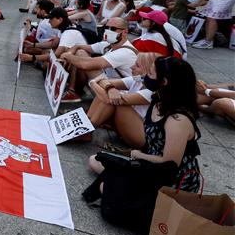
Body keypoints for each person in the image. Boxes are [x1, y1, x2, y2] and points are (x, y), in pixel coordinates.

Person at [86, 57, 202, 195]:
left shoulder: (178, 120)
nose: (145, 76)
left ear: (164, 82)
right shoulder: (158, 100)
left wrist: (139, 155)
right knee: (95, 160)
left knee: (106, 187)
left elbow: (169, 164)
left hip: (171, 182)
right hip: (149, 164)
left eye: (151, 74)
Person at [83, 52, 160, 148]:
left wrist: (94, 83)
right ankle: (86, 122)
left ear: (148, 71)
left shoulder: (153, 92)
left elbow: (110, 96)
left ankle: (87, 129)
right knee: (110, 93)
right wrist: (110, 88)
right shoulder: (139, 79)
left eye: (137, 65)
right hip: (130, 125)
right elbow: (104, 81)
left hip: (142, 138)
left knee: (114, 100)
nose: (132, 67)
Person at [59, 17, 138, 100]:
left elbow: (86, 65)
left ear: (125, 32)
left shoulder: (125, 52)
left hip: (118, 92)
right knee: (80, 53)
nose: (108, 31)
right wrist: (69, 53)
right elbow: (78, 46)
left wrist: (66, 56)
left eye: (113, 29)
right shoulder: (108, 45)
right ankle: (74, 92)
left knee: (85, 61)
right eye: (106, 27)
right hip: (107, 84)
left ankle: (73, 92)